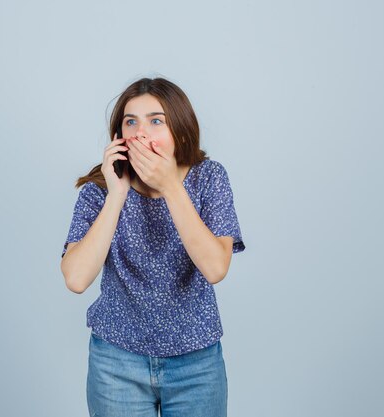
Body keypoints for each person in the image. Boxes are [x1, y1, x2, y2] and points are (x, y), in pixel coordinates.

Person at [60, 77, 245, 417]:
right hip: (116, 362)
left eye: (156, 121)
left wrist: (172, 187)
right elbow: (75, 279)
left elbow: (216, 268)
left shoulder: (209, 178)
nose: (141, 133)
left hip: (196, 363)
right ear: (119, 137)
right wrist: (117, 193)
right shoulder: (99, 190)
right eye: (131, 122)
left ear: (182, 132)